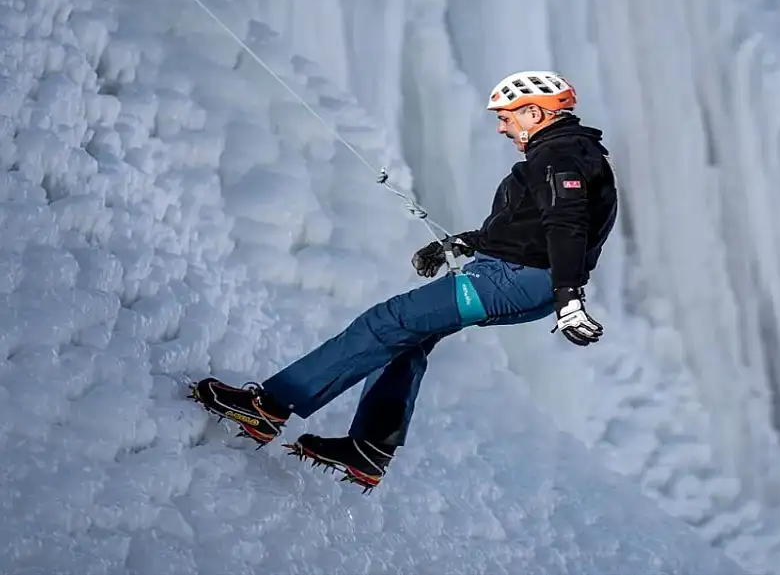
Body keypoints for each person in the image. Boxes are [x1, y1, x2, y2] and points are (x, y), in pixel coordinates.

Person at [188, 71, 619, 493]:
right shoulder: (564, 153)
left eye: (507, 116)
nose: (501, 126)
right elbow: (528, 227)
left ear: (534, 111)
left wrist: (569, 299)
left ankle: (268, 408)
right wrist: (463, 243)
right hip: (513, 275)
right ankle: (369, 449)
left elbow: (566, 226)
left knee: (385, 323)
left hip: (514, 281)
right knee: (409, 337)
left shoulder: (560, 158)